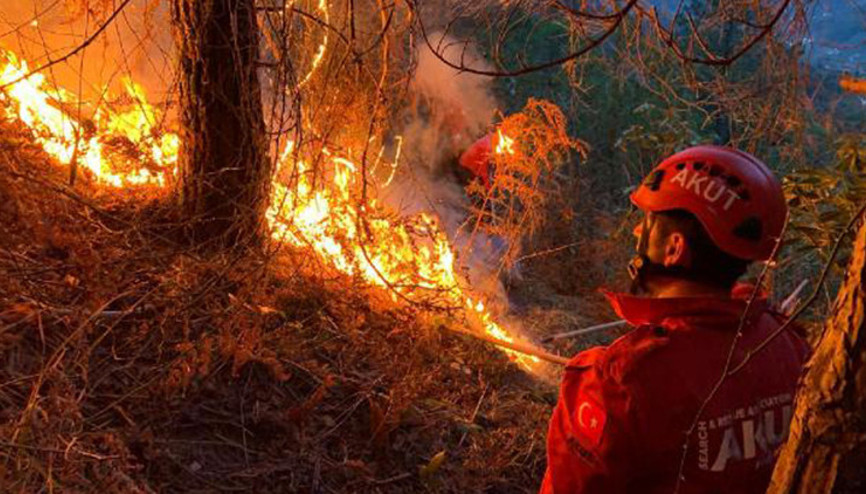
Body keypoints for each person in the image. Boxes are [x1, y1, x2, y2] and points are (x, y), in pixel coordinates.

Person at [541, 146, 810, 494]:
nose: (638, 231)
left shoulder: (621, 382)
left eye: (649, 223)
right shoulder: (788, 344)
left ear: (674, 249)